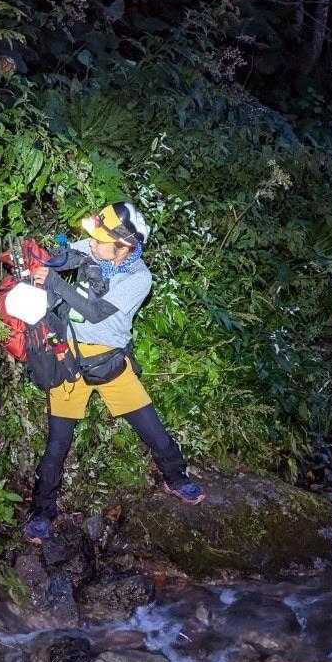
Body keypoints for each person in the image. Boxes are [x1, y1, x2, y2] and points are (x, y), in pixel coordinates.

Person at [24, 201, 205, 543]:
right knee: (57, 443)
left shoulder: (139, 278)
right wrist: (45, 263)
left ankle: (176, 478)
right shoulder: (92, 248)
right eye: (92, 237)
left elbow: (95, 313)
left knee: (153, 429)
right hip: (69, 362)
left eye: (99, 239)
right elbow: (65, 256)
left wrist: (56, 283)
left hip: (110, 363)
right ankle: (42, 511)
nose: (91, 243)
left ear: (123, 246)